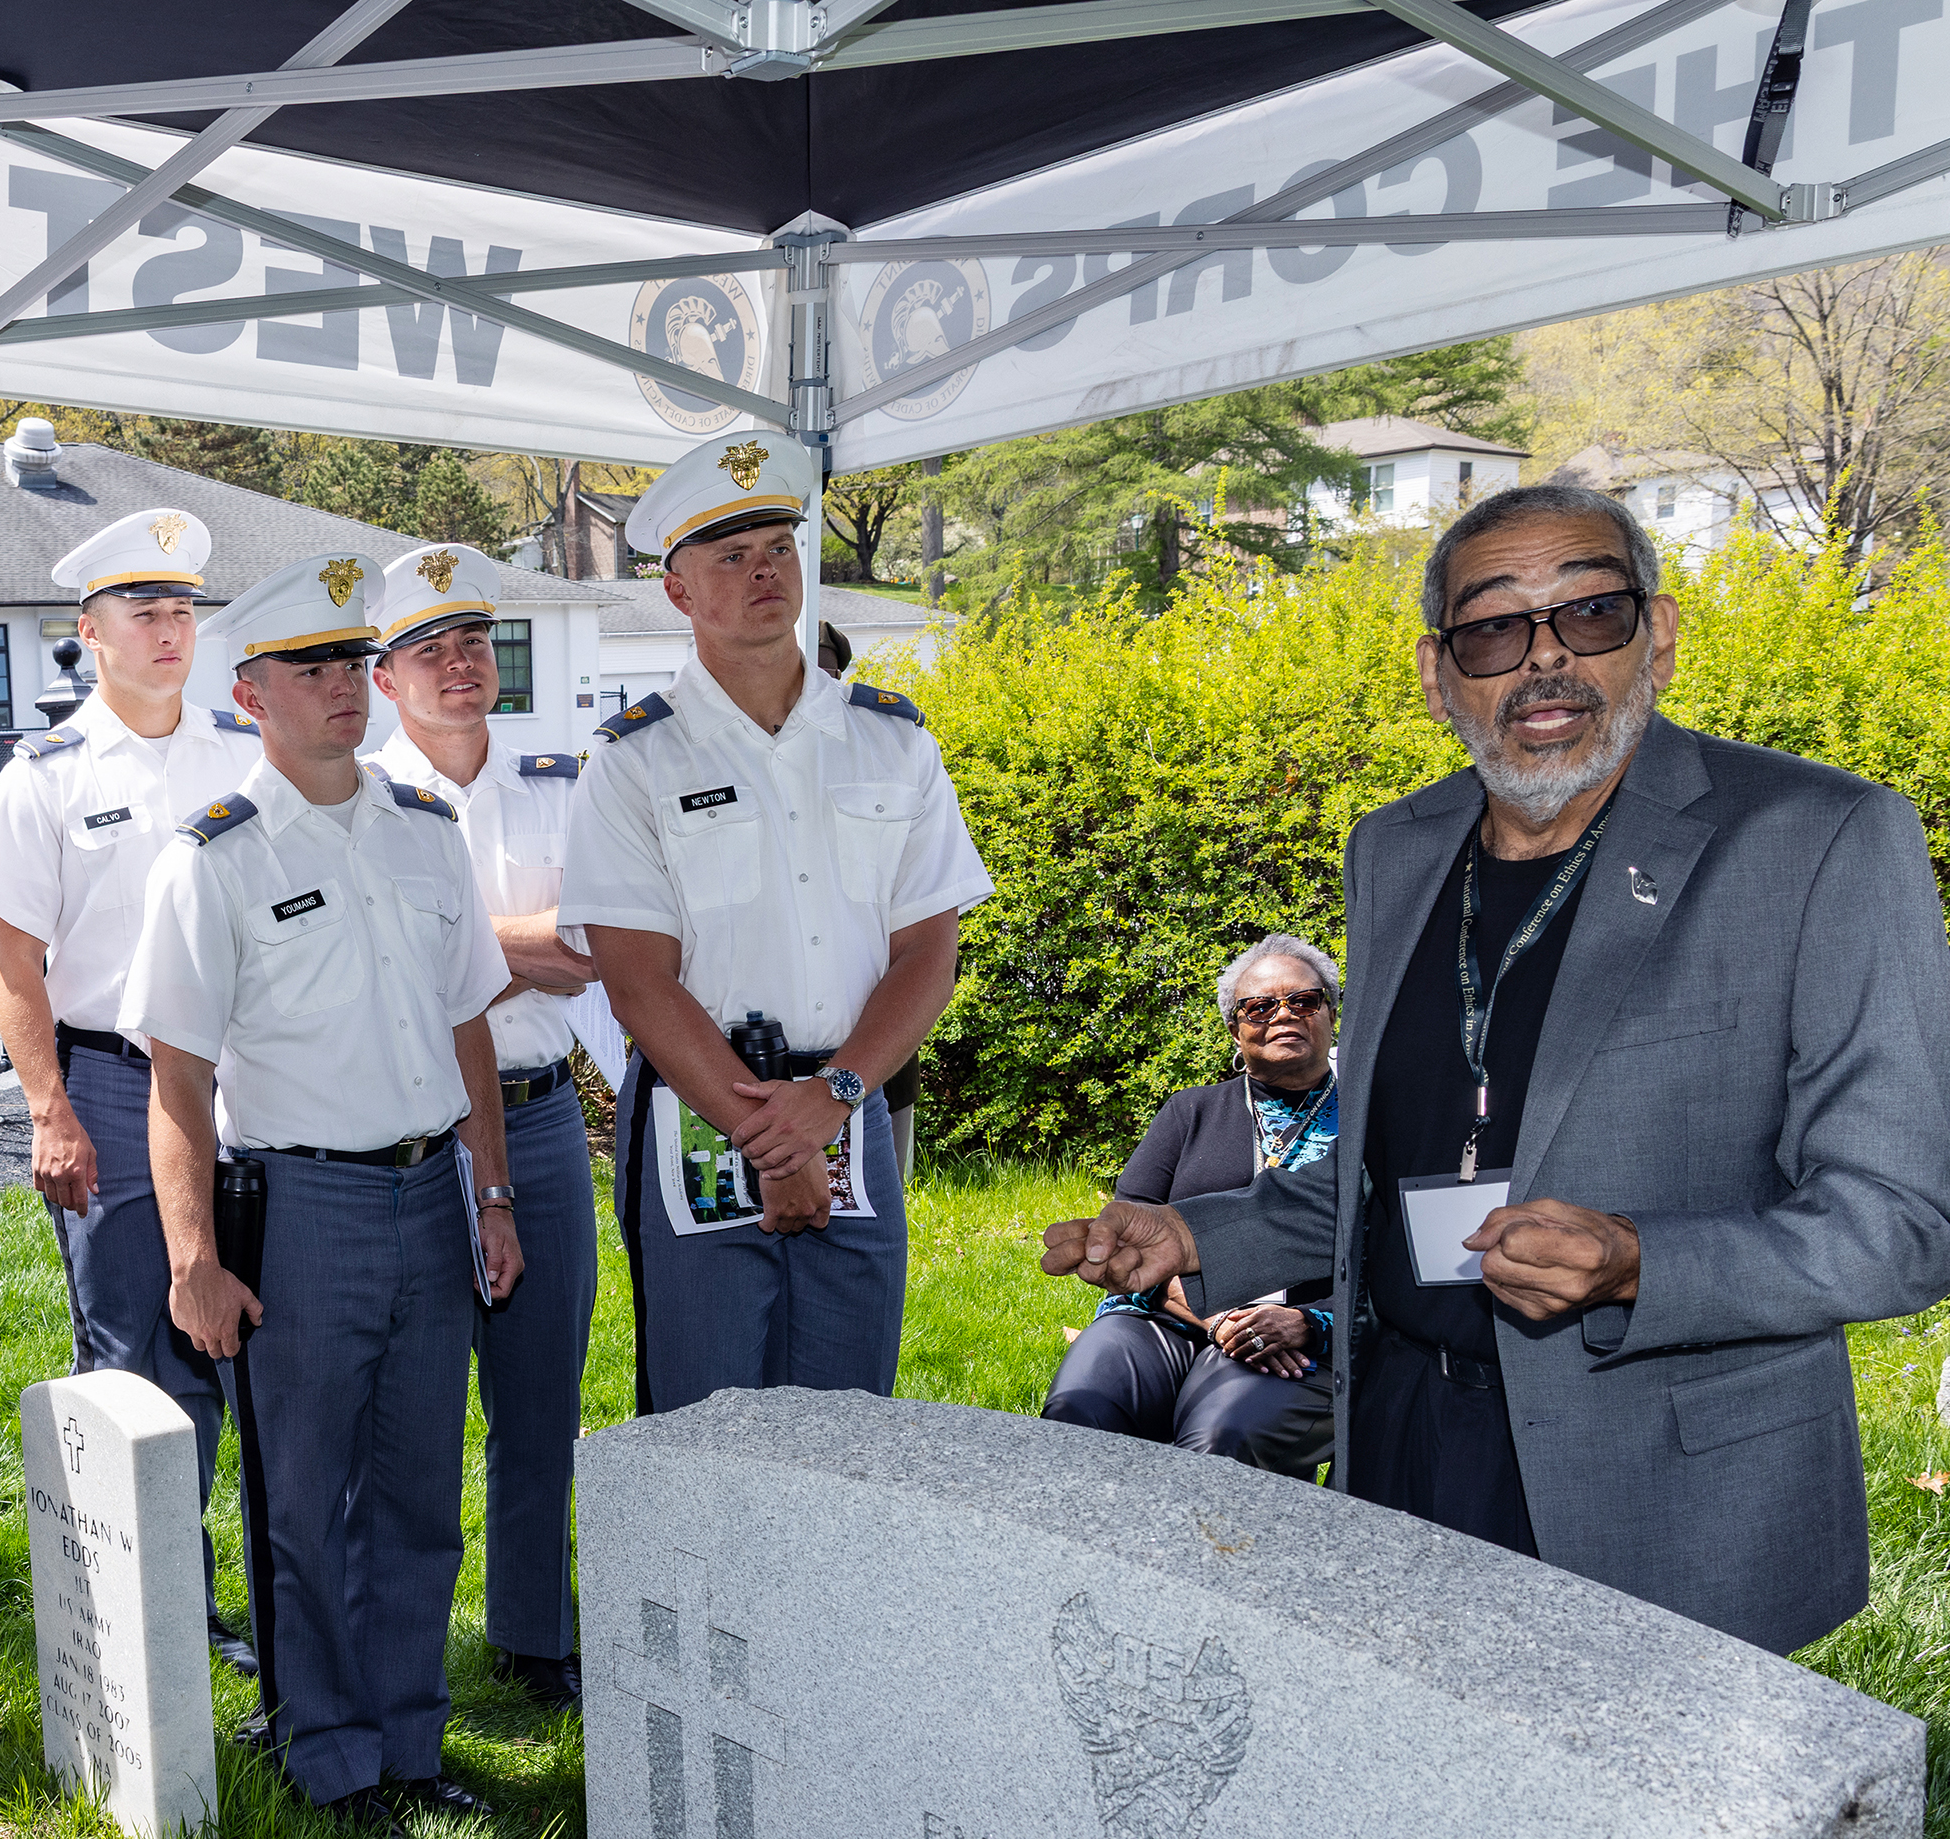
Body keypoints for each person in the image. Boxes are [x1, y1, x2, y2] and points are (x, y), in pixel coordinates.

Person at [1042, 481, 1950, 1652]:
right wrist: (1203, 1235)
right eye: (1495, 627)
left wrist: (1642, 1263)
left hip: (1661, 1490)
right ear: (1441, 674)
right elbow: (1406, 1158)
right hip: (1399, 1440)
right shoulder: (1397, 847)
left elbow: (1908, 1219)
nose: (1545, 659)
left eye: (1589, 611)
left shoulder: (1822, 836)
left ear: (1662, 637)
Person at [122, 552, 522, 1837]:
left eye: (355, 662)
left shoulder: (423, 829)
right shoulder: (213, 860)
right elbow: (177, 1079)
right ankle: (328, 1748)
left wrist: (495, 1194)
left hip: (428, 1192)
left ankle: (410, 1736)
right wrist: (193, 1254)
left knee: (416, 1489)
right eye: (314, 667)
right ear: (250, 694)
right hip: (304, 1207)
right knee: (305, 1492)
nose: (346, 687)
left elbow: (469, 1025)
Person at [564, 431, 992, 1414]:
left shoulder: (891, 741)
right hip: (703, 1107)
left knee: (852, 1419)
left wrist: (834, 1100)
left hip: (851, 1099)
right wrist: (778, 1140)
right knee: (712, 1421)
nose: (764, 570)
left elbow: (929, 951)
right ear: (677, 593)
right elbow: (639, 983)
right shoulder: (635, 762)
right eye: (730, 555)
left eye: (779, 548)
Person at [0, 505, 262, 1677]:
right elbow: (11, 957)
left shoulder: (241, 753)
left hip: (248, 1083)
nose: (170, 629)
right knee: (137, 1352)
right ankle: (143, 1615)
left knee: (248, 1345)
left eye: (184, 609)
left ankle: (221, 1601)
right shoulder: (45, 776)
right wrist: (49, 1107)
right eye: (145, 611)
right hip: (114, 1075)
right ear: (89, 632)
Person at [366, 543, 598, 1709]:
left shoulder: (565, 777)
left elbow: (601, 942)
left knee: (541, 1390)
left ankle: (534, 1628)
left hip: (540, 1116)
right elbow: (385, 973)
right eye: (428, 651)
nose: (458, 667)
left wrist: (461, 950)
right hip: (410, 1128)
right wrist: (523, 945)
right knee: (407, 1400)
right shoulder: (358, 797)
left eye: (473, 644)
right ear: (384, 678)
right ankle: (394, 1646)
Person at [1039, 934, 1342, 1475]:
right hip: (1165, 1315)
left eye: (1304, 1000)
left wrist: (1311, 1323)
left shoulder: (1372, 1121)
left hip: (1306, 1337)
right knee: (1078, 1413)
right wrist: (1220, 1316)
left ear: (1330, 1013)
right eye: (1259, 1006)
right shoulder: (1190, 1111)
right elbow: (1129, 1236)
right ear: (1235, 1029)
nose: (1284, 1015)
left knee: (1222, 1438)